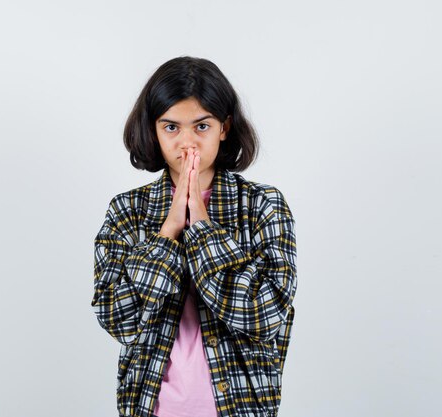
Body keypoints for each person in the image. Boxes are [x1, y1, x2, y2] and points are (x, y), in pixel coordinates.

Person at [91, 56, 297, 417]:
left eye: (201, 126)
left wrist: (201, 226)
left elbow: (266, 311)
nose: (188, 143)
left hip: (241, 407)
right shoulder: (127, 211)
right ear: (153, 130)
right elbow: (117, 319)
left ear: (223, 127)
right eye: (171, 128)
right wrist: (167, 233)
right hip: (150, 407)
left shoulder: (264, 205)